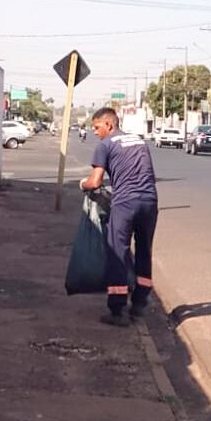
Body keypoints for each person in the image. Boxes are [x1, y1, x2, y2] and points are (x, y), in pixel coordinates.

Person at [79, 107, 158, 326]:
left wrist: (82, 184)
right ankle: (140, 303)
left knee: (117, 252)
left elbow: (95, 182)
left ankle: (117, 310)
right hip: (150, 202)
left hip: (125, 204)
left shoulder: (105, 145)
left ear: (109, 125)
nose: (95, 131)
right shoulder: (139, 141)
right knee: (143, 250)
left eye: (97, 127)